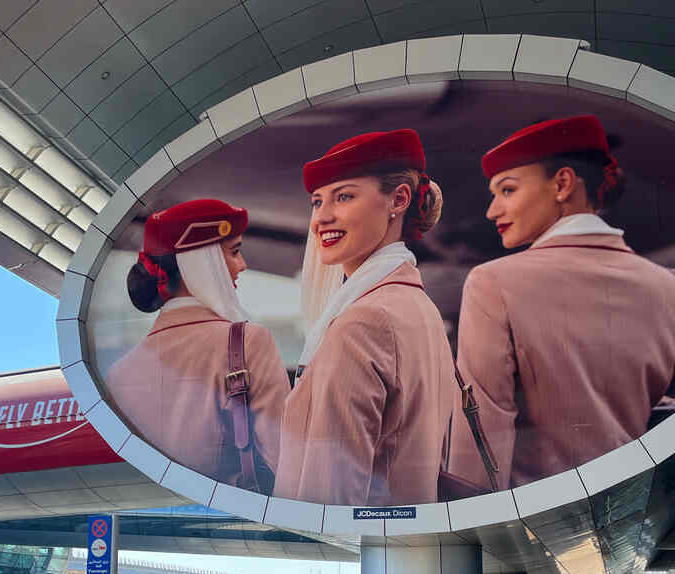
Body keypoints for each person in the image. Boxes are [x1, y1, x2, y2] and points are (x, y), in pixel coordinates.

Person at [448, 115, 675, 492]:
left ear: (563, 183)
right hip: (634, 507)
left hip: (536, 514)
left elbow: (482, 425)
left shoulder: (493, 283)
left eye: (507, 190)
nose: (492, 210)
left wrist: (468, 526)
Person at [274, 128, 456, 506]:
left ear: (399, 200)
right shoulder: (418, 306)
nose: (321, 218)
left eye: (344, 196)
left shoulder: (363, 321)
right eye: (316, 202)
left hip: (364, 554)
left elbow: (330, 497)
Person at [107, 199, 289, 493]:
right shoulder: (248, 342)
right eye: (234, 252)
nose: (242, 266)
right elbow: (287, 461)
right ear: (202, 264)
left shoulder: (118, 374)